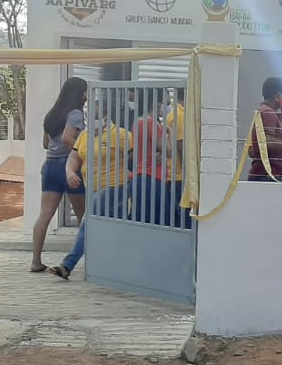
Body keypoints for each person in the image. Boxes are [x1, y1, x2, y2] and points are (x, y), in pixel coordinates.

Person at [48, 97, 133, 280]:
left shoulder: (121, 135)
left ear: (106, 114)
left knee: (88, 224)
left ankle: (67, 265)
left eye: (95, 113)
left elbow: (135, 157)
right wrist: (70, 171)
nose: (91, 116)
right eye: (89, 113)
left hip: (114, 187)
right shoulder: (85, 136)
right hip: (93, 190)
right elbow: (74, 157)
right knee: (114, 229)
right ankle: (118, 266)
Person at [31, 76, 88, 272]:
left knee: (44, 215)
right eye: (85, 92)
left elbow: (45, 144)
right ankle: (88, 261)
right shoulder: (75, 114)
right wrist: (82, 151)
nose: (87, 96)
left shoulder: (51, 114)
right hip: (68, 167)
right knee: (83, 217)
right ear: (79, 93)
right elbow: (67, 139)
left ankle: (36, 261)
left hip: (50, 166)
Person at [248, 77, 282, 182]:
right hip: (269, 175)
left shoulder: (265, 111)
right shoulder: (268, 113)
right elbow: (267, 141)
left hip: (267, 174)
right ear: (278, 96)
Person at [129, 88, 168, 224]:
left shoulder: (137, 122)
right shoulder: (152, 123)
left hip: (139, 176)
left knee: (140, 219)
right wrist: (168, 133)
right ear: (153, 103)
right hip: (153, 177)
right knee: (158, 221)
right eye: (161, 102)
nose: (162, 105)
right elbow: (168, 150)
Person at [164, 88, 189, 227]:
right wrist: (187, 172)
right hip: (179, 174)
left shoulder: (175, 113)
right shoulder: (179, 116)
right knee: (182, 218)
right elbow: (180, 146)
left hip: (173, 172)